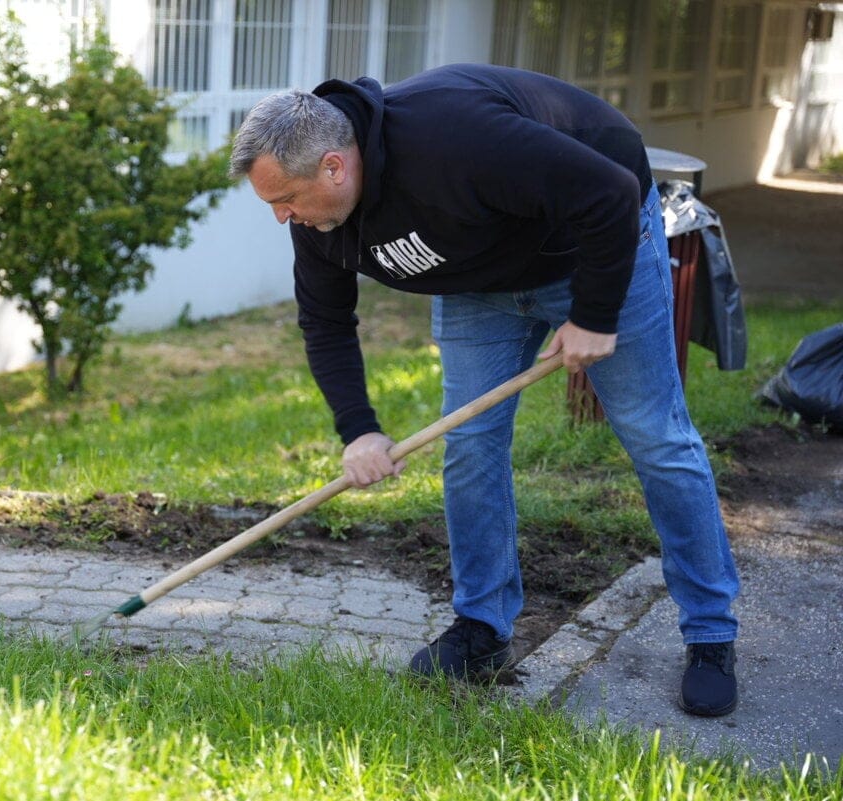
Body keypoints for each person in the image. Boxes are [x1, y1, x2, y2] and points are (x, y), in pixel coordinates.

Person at [229, 64, 740, 717]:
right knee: (469, 443)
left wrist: (594, 313)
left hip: (594, 237)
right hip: (480, 284)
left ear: (334, 167)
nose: (281, 218)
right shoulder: (318, 221)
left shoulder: (454, 140)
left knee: (654, 434)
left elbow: (608, 191)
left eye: (285, 199)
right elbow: (326, 322)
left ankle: (710, 633)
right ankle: (482, 629)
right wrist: (358, 428)